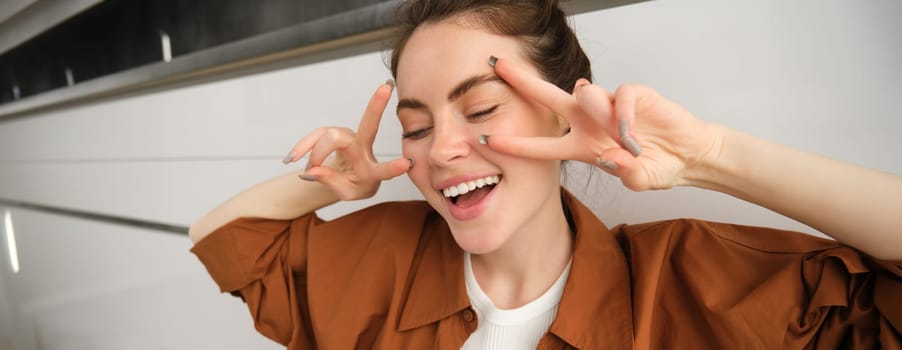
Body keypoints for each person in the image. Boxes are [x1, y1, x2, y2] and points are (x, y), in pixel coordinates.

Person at [188, 0, 902, 348]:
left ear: (567, 111)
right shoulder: (377, 256)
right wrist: (331, 184)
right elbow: (224, 241)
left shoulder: (698, 287)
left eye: (481, 108)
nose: (441, 151)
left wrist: (708, 157)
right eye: (416, 126)